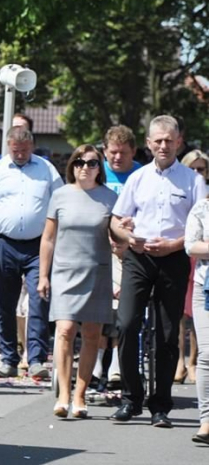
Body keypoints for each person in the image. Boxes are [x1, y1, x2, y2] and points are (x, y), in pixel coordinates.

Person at [109, 115, 206, 427]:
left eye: (169, 140)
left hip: (174, 259)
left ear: (178, 142)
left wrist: (175, 244)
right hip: (139, 258)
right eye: (158, 141)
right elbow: (116, 220)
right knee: (125, 325)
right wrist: (127, 236)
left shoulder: (193, 181)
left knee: (166, 336)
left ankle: (161, 405)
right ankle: (130, 397)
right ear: (149, 144)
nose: (163, 146)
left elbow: (202, 227)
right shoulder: (138, 178)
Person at [37, 145, 119, 418]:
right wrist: (43, 275)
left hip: (97, 271)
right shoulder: (60, 195)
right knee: (65, 330)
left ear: (100, 168)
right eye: (80, 162)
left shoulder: (110, 197)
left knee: (93, 334)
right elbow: (48, 238)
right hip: (64, 272)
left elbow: (118, 238)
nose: (85, 167)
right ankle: (63, 393)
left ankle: (80, 395)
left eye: (93, 163)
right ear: (72, 165)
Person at [0, 126, 63, 380]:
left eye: (25, 150)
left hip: (40, 245)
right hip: (4, 243)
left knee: (39, 300)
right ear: (8, 147)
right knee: (5, 303)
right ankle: (8, 359)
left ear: (32, 146)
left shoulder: (46, 169)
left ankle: (36, 359)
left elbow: (60, 201)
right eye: (16, 150)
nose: (20, 155)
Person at [94, 125, 142, 388]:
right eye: (112, 152)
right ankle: (97, 364)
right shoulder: (96, 172)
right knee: (100, 314)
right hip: (102, 249)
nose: (117, 158)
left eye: (123, 153)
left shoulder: (142, 175)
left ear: (133, 151)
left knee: (124, 314)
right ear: (104, 151)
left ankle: (117, 368)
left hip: (131, 251)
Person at [179, 150, 209, 384]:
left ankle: (193, 361)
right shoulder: (178, 186)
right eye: (193, 168)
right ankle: (179, 360)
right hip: (179, 252)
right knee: (180, 313)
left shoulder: (205, 195)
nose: (197, 173)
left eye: (201, 169)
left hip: (200, 259)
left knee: (197, 312)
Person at [183, 191, 209, 444]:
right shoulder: (202, 208)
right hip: (206, 287)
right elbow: (191, 246)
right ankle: (206, 422)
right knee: (207, 354)